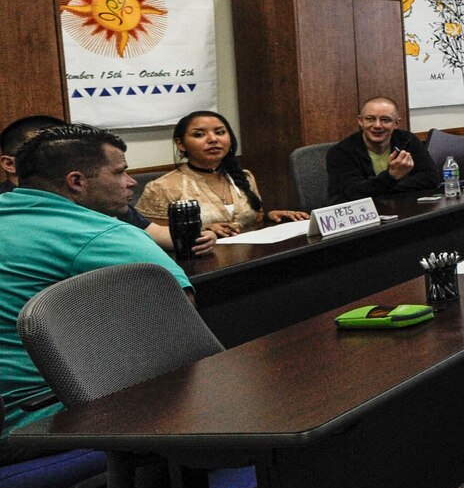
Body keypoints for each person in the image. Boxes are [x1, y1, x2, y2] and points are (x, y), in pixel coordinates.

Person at [1, 125, 193, 454]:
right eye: (120, 171)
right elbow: (182, 327)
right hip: (42, 419)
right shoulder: (99, 233)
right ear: (76, 181)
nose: (131, 182)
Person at [2, 113, 212, 256]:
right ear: (9, 164)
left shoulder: (99, 196)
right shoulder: (12, 210)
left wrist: (197, 236)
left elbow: (155, 234)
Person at [136, 110, 309, 237]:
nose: (213, 139)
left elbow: (252, 220)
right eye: (199, 134)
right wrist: (201, 230)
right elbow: (150, 238)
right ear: (181, 144)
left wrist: (270, 215)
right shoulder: (162, 187)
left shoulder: (244, 176)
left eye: (220, 132)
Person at [326, 97, 441, 202]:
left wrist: (386, 186)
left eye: (385, 120)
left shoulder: (407, 140)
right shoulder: (341, 152)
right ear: (360, 121)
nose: (377, 125)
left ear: (396, 123)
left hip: (401, 208)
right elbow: (353, 192)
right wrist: (391, 177)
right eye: (370, 119)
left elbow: (431, 177)